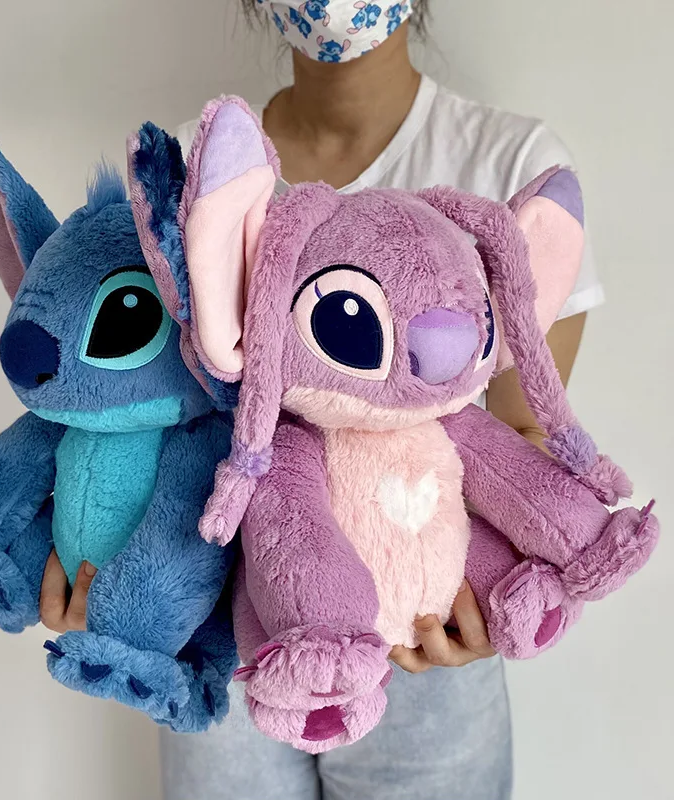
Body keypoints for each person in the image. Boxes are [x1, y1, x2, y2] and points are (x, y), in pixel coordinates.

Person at [40, 2, 604, 797]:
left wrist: (498, 592)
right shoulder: (199, 168)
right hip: (229, 634)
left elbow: (520, 437)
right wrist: (100, 555)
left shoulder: (513, 163)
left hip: (427, 640)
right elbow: (134, 402)